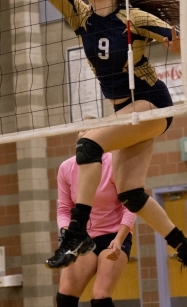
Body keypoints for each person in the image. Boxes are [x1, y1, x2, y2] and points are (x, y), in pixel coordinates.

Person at [13, 0, 187, 285]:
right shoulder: (82, 16)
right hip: (125, 111)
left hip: (152, 104)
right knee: (130, 192)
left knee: (87, 145)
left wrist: (180, 42)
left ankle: (76, 234)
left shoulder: (133, 19)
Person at [56, 131, 136, 307]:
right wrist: (66, 235)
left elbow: (130, 206)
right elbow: (63, 209)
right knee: (64, 298)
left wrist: (119, 238)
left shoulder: (114, 163)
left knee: (100, 298)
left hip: (113, 236)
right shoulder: (66, 168)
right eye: (82, 138)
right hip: (84, 238)